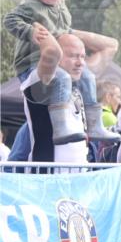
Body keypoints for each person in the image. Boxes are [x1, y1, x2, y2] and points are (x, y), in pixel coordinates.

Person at [3, 0, 120, 143]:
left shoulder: (63, 11)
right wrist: (29, 31)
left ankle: (95, 125)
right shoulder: (31, 6)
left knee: (88, 77)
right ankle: (61, 127)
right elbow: (9, 19)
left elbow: (64, 32)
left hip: (56, 62)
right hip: (32, 63)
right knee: (63, 78)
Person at [19, 32, 92, 163]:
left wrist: (72, 31)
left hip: (79, 175)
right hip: (48, 174)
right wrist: (47, 30)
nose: (80, 63)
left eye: (82, 56)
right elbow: (51, 52)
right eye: (72, 56)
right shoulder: (40, 85)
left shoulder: (75, 90)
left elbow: (111, 46)